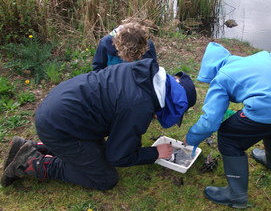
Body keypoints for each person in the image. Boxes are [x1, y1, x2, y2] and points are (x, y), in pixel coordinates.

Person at [1, 58, 196, 190]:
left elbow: (122, 123)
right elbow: (117, 156)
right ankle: (31, 163)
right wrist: (154, 153)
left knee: (99, 152)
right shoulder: (139, 106)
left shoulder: (144, 75)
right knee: (105, 178)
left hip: (61, 111)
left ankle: (34, 146)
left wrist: (134, 142)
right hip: (60, 127)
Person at [185, 42, 271, 209]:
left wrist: (191, 138)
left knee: (229, 136)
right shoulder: (262, 56)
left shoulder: (221, 77)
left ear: (210, 68)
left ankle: (236, 195)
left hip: (269, 108)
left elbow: (210, 122)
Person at [92, 21, 157, 71]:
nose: (130, 61)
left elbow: (151, 70)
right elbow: (98, 69)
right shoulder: (105, 43)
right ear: (117, 46)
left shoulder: (147, 44)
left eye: (135, 57)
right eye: (127, 57)